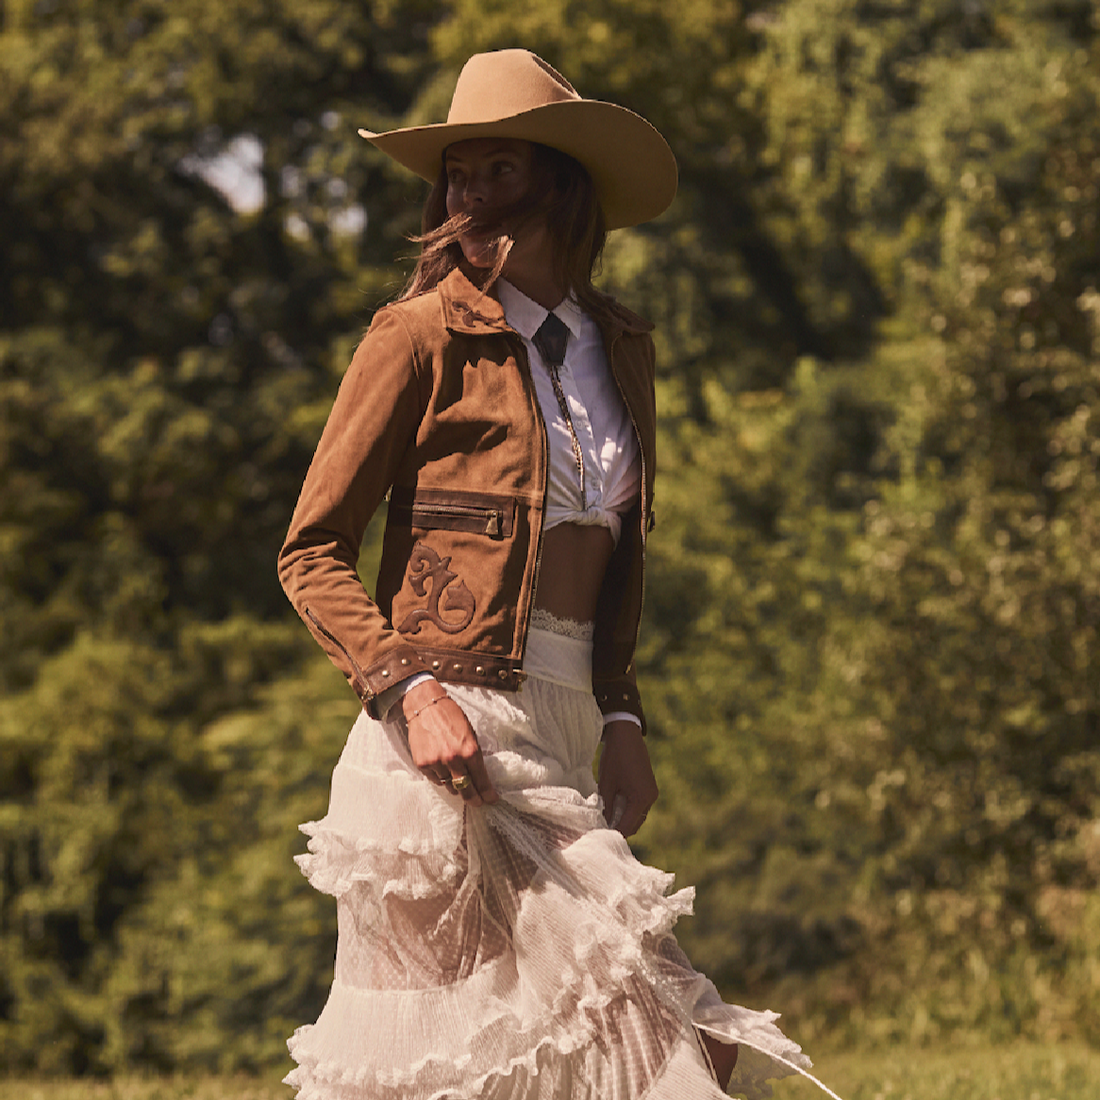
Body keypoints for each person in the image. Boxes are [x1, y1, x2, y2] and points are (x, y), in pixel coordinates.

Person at [279, 48, 837, 1100]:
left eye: (500, 169)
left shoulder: (619, 346)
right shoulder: (413, 336)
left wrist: (620, 714)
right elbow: (308, 550)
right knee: (663, 1036)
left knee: (542, 1058)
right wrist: (407, 689)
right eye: (458, 172)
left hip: (572, 712)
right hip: (454, 722)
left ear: (562, 181)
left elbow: (613, 555)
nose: (472, 196)